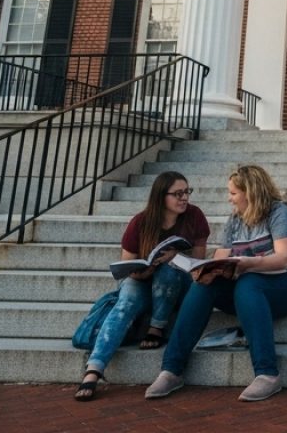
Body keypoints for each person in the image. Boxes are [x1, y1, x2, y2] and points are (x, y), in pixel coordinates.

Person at [144, 164, 287, 403]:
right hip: (247, 291)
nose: (229, 198)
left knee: (249, 282)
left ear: (250, 192)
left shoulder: (279, 212)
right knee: (204, 284)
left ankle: (267, 373)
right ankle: (171, 369)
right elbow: (221, 257)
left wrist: (245, 263)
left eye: (233, 193)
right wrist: (205, 269)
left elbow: (285, 259)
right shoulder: (235, 220)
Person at [74, 171, 209, 401]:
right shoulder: (140, 222)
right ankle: (93, 369)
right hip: (142, 281)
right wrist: (144, 271)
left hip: (177, 284)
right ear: (161, 196)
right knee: (125, 303)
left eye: (187, 192)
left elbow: (198, 265)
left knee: (168, 271)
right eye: (178, 193)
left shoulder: (194, 216)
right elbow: (126, 266)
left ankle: (157, 327)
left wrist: (175, 257)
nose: (184, 197)